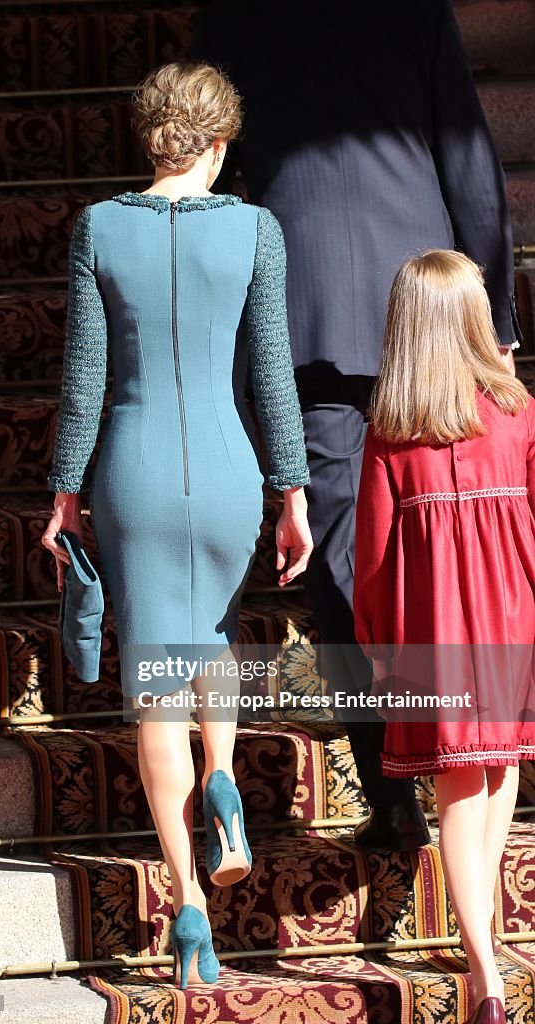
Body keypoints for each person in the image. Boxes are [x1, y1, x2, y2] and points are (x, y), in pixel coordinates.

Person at [190, 0, 523, 851]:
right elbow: (467, 161)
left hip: (304, 317)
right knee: (454, 543)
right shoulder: (414, 8)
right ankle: (480, 755)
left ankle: (392, 793)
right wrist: (504, 322)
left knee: (346, 566)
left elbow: (205, 167)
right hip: (428, 315)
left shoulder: (234, 22)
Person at [41, 61, 313, 990]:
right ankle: (226, 776)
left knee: (155, 678)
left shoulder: (98, 228)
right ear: (221, 142)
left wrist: (62, 492)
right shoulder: (256, 230)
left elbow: (84, 377)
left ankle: (190, 901)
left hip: (133, 469)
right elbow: (273, 372)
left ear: (151, 136)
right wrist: (293, 490)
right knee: (211, 636)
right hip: (233, 472)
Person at [353, 250, 534, 1024]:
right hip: (515, 618)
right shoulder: (519, 412)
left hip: (439, 635)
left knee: (464, 782)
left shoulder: (391, 433)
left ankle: (483, 970)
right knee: (497, 775)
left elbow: (371, 554)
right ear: (472, 319)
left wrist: (379, 642)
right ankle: (484, 952)